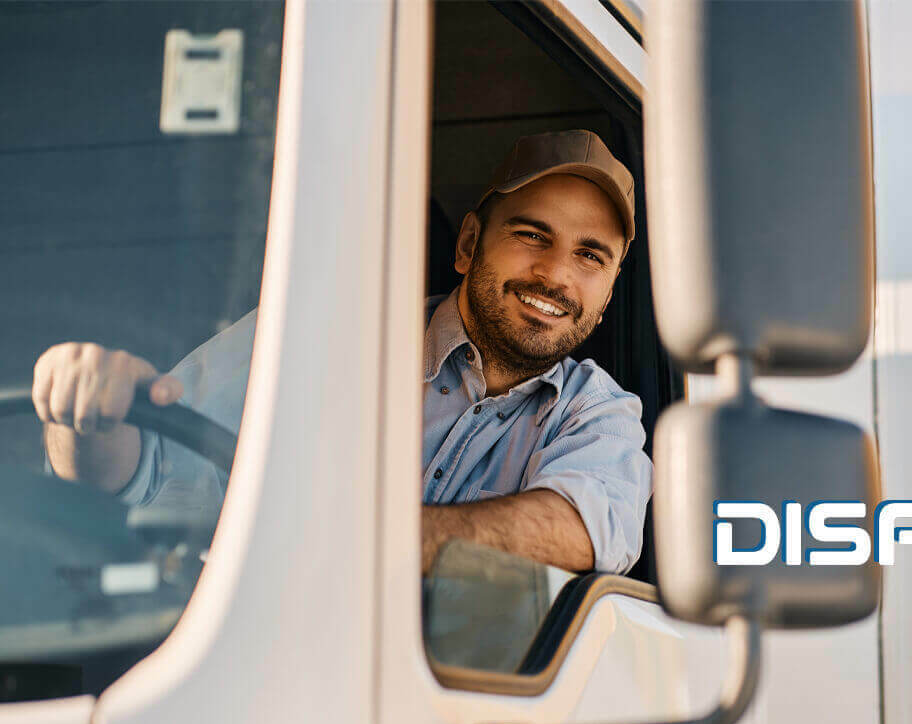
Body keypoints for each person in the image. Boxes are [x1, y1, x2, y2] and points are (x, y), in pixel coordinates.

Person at [33, 130, 652, 575]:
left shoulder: (598, 413)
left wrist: (338, 545)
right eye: (530, 235)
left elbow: (583, 528)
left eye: (590, 255)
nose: (554, 275)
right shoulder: (319, 332)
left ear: (606, 296)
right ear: (468, 245)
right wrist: (83, 415)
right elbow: (147, 472)